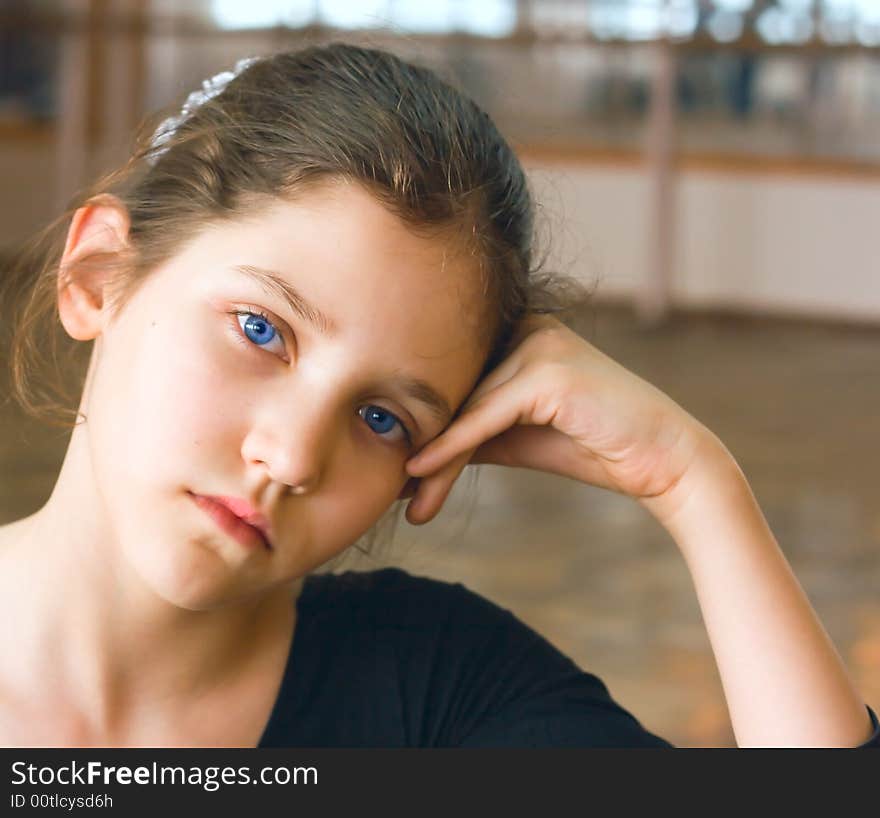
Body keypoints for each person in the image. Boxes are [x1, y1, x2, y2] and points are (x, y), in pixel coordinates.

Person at [0, 42, 876, 749]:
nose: (295, 457)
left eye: (382, 418)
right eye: (260, 330)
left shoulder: (442, 689)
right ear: (99, 275)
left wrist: (695, 485)